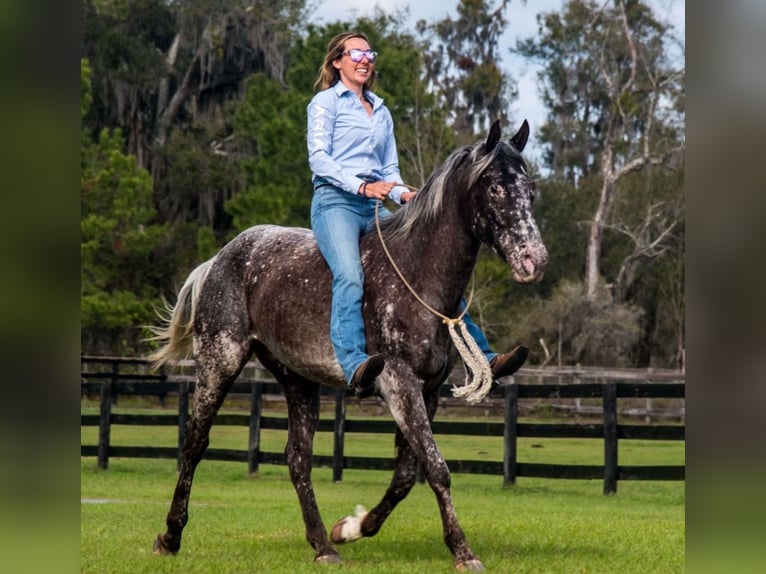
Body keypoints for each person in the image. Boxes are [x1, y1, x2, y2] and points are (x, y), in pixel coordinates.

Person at [307, 31, 528, 398]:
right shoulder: (325, 104)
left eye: (369, 54)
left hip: (376, 208)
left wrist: (404, 192)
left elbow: (388, 170)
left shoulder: (380, 111)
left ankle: (483, 356)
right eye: (357, 54)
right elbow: (319, 159)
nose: (365, 60)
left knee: (430, 272)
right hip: (335, 204)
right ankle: (354, 365)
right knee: (348, 275)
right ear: (337, 61)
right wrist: (361, 187)